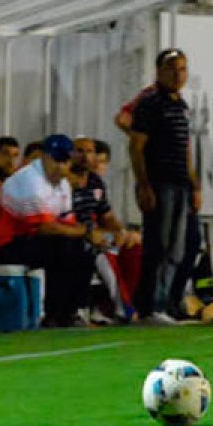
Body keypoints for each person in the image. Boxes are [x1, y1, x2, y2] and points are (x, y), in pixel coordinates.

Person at [0, 135, 106, 327]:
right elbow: (43, 228)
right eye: (56, 160)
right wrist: (86, 232)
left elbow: (67, 222)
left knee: (81, 249)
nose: (60, 166)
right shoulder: (30, 181)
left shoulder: (63, 185)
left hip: (30, 240)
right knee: (61, 247)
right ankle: (55, 312)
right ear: (44, 158)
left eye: (65, 160)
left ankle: (71, 311)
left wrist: (86, 234)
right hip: (2, 245)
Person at [129, 48, 202, 325]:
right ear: (159, 71)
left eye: (182, 69)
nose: (178, 74)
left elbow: (186, 149)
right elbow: (136, 147)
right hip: (160, 183)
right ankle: (150, 306)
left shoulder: (180, 105)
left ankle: (168, 302)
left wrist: (194, 185)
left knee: (177, 248)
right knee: (158, 245)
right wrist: (143, 185)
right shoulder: (150, 103)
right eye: (172, 69)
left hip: (180, 183)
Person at [70, 136, 132, 324]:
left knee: (130, 247)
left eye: (90, 152)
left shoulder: (95, 182)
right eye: (80, 151)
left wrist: (120, 230)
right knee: (101, 254)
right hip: (75, 234)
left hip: (94, 234)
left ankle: (120, 306)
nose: (85, 156)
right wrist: (89, 233)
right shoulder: (66, 182)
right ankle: (121, 308)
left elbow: (107, 215)